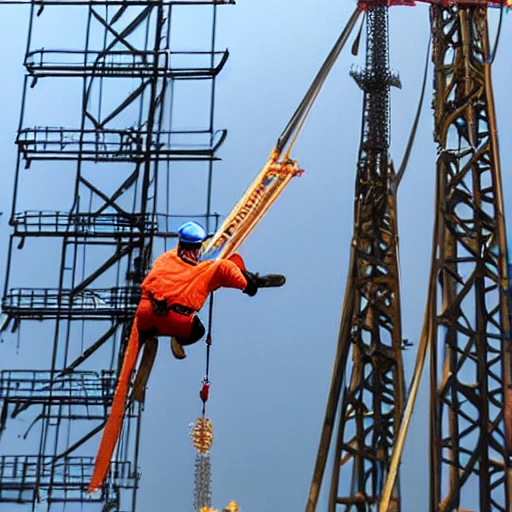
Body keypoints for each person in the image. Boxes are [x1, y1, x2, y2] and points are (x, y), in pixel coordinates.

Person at [87, 221, 285, 493]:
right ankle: (179, 340)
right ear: (198, 247)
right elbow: (234, 276)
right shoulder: (210, 268)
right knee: (197, 329)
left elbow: (156, 282)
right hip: (178, 319)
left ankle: (150, 349)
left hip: (146, 316)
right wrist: (254, 283)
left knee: (138, 349)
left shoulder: (164, 260)